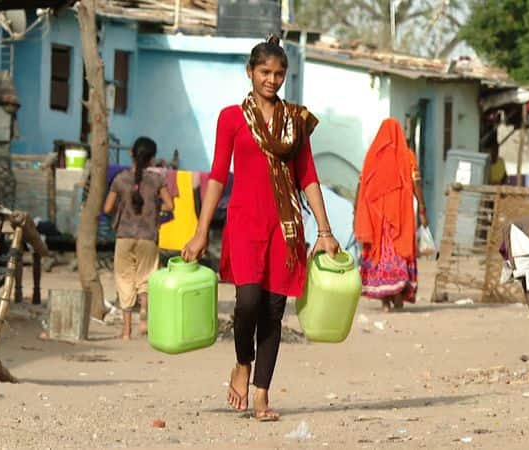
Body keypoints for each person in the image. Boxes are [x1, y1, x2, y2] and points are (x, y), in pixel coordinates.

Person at [181, 36, 339, 422]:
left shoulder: (295, 121)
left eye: (279, 73)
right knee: (247, 302)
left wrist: (324, 229)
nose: (272, 80)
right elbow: (218, 176)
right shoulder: (231, 118)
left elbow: (308, 177)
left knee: (273, 311)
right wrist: (201, 231)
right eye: (265, 72)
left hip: (283, 228)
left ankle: (262, 395)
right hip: (244, 222)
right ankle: (241, 363)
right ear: (249, 72)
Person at [354, 119, 428, 312]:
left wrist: (357, 212)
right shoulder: (407, 156)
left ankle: (385, 301)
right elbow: (417, 184)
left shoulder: (372, 157)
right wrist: (422, 209)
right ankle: (397, 296)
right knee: (398, 254)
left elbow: (361, 186)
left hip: (377, 222)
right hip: (400, 218)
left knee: (381, 257)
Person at [103, 137, 174, 340]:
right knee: (146, 277)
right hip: (148, 236)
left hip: (124, 236)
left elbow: (107, 208)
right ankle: (144, 320)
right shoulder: (157, 181)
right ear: (152, 159)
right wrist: (154, 210)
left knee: (125, 280)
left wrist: (123, 209)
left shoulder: (120, 179)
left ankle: (126, 331)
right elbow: (170, 206)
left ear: (131, 154)